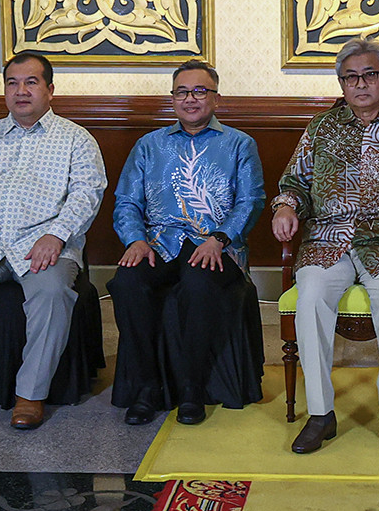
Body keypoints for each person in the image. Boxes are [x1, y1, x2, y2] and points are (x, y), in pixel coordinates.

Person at [271, 37, 379, 454]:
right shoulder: (321, 127)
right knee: (310, 297)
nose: (360, 84)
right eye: (350, 77)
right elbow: (294, 182)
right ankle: (321, 414)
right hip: (326, 239)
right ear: (342, 84)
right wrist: (285, 206)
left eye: (369, 74)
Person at [0, 52, 106, 430]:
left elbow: (87, 193)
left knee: (52, 292)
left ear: (50, 90)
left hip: (44, 245)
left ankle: (30, 394)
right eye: (12, 83)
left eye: (31, 82)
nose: (20, 91)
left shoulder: (76, 139)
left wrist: (56, 234)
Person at [107, 60, 266, 426]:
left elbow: (251, 201)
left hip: (216, 244)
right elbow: (127, 201)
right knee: (127, 283)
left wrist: (220, 238)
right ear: (173, 99)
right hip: (158, 242)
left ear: (216, 98)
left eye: (199, 91)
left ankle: (192, 389)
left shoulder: (240, 144)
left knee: (198, 285)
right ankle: (147, 387)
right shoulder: (149, 146)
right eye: (182, 92)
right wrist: (135, 240)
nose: (190, 99)